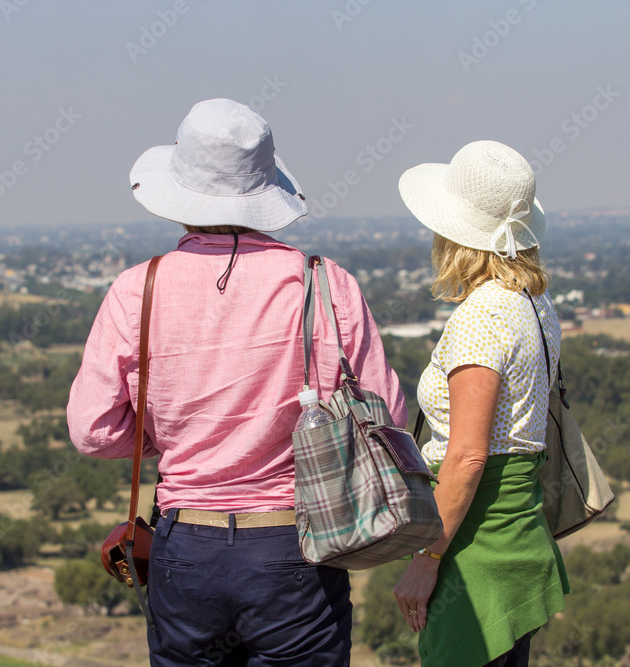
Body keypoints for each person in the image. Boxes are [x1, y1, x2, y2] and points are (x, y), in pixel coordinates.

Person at [67, 98, 406, 666]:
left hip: (186, 548)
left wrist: (167, 433)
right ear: (265, 188)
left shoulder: (137, 290)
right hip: (296, 542)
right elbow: (386, 415)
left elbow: (94, 432)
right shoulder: (324, 285)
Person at [392, 140, 569, 667]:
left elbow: (468, 456)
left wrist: (427, 560)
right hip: (517, 531)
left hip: (475, 541)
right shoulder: (534, 303)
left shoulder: (484, 315)